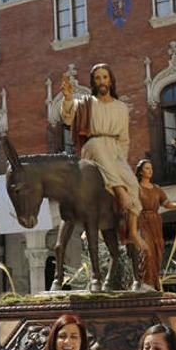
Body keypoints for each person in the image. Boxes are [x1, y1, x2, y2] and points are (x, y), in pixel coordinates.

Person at [60, 63, 143, 251]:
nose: (101, 81)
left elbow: (124, 138)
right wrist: (67, 98)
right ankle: (120, 195)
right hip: (93, 147)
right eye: (97, 78)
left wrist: (121, 160)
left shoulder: (121, 107)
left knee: (133, 184)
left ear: (111, 80)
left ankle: (131, 231)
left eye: (105, 77)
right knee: (98, 145)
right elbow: (67, 118)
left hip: (114, 150)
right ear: (93, 82)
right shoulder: (86, 103)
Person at [135, 159, 176, 290]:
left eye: (151, 168)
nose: (150, 170)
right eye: (147, 168)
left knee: (158, 252)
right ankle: (145, 283)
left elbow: (167, 204)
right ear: (141, 172)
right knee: (147, 251)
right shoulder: (136, 188)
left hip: (156, 223)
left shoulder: (157, 189)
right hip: (142, 222)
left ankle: (154, 282)